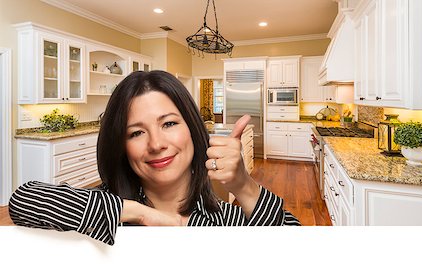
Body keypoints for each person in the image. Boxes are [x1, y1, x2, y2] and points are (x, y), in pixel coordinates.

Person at [8, 70, 300, 245]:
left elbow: (301, 255)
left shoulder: (227, 221)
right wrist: (145, 214)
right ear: (121, 146)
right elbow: (24, 201)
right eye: (136, 133)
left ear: (192, 129)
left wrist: (244, 185)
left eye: (169, 124)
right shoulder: (106, 214)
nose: (156, 144)